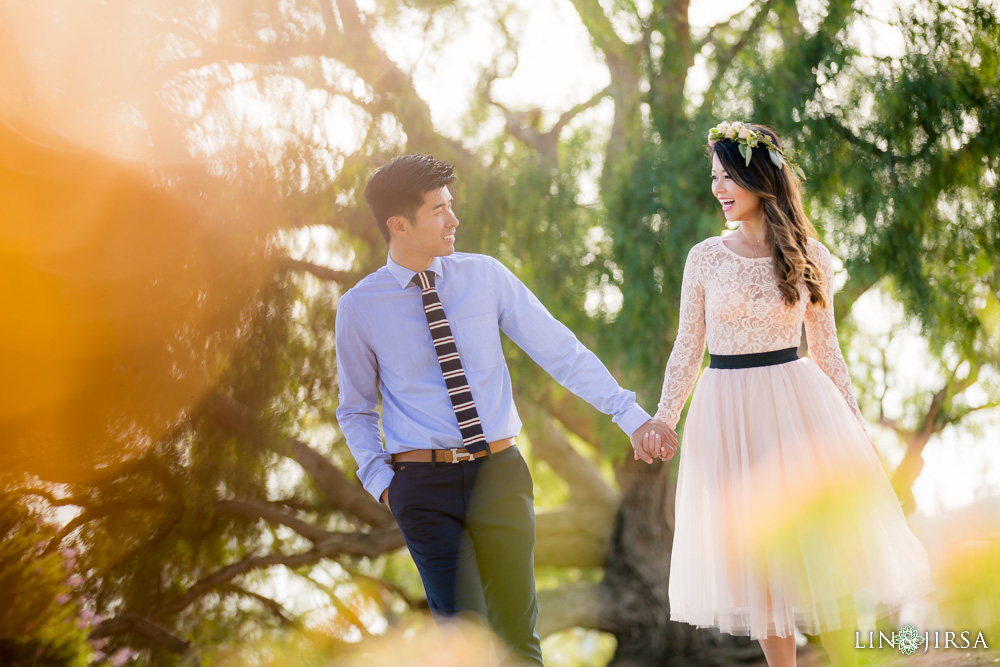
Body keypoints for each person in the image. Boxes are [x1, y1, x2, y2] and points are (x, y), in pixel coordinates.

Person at [335, 154, 677, 665]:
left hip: (499, 474)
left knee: (518, 636)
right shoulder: (361, 308)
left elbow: (561, 351)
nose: (454, 220)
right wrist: (384, 483)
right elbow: (357, 409)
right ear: (398, 225)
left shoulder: (485, 277)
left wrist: (632, 416)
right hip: (422, 489)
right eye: (439, 211)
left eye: (452, 206)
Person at [649, 122, 934, 667]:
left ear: (760, 176)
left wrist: (855, 427)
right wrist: (665, 418)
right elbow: (688, 346)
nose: (718, 188)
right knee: (759, 559)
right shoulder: (704, 257)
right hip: (726, 411)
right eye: (714, 177)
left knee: (820, 548)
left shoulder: (812, 255)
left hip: (795, 405)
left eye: (728, 175)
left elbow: (827, 352)